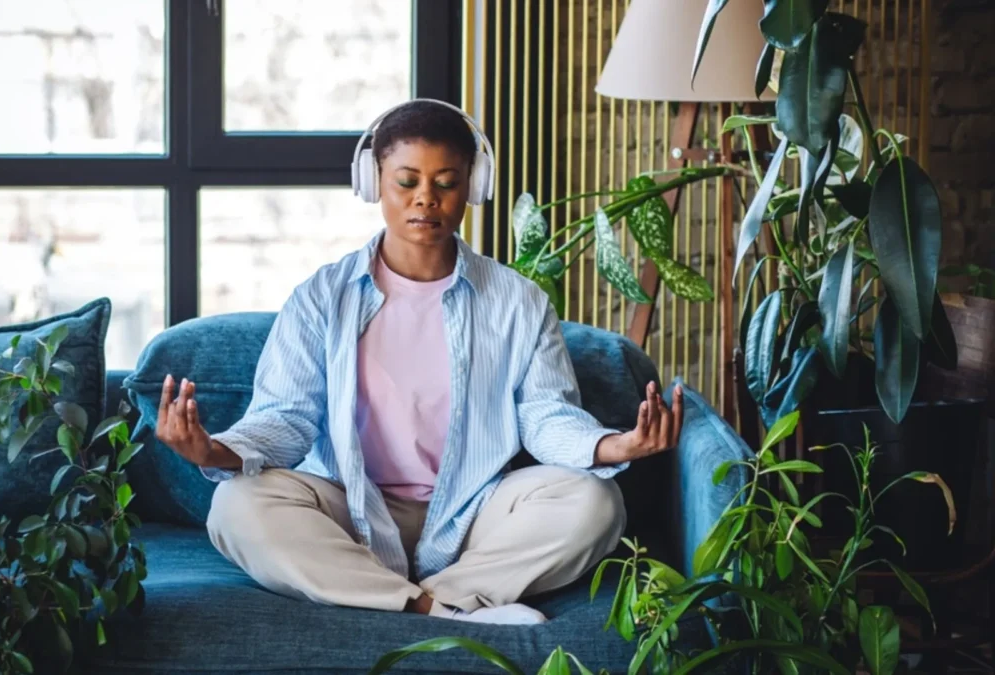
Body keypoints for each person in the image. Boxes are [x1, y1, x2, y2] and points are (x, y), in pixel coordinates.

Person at [155, 99, 683, 625]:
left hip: (474, 512)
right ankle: (441, 610)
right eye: (407, 182)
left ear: (472, 186)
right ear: (373, 181)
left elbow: (545, 417)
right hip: (349, 509)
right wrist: (217, 450)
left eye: (446, 182)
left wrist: (615, 445)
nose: (425, 199)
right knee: (236, 507)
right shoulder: (321, 297)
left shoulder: (518, 302)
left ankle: (399, 596)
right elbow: (288, 418)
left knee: (596, 503)